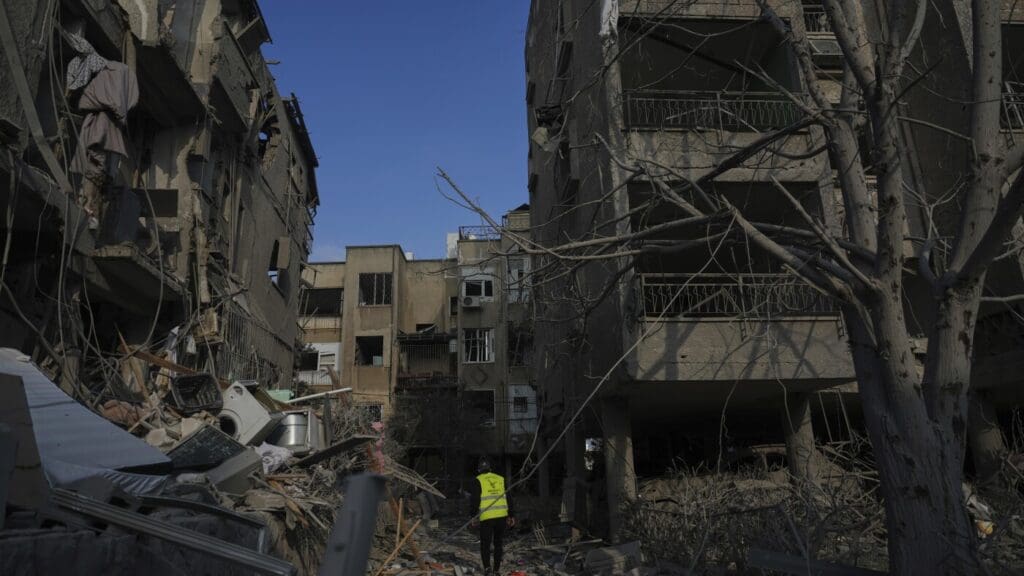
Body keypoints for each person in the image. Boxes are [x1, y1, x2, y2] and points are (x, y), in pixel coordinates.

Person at [470, 458, 515, 575]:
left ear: (479, 469)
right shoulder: (500, 479)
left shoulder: (478, 480)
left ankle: (487, 569)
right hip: (501, 516)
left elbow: (475, 499)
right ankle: (496, 570)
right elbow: (509, 497)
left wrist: (473, 516)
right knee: (498, 543)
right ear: (490, 468)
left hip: (487, 517)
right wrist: (511, 515)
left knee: (485, 544)